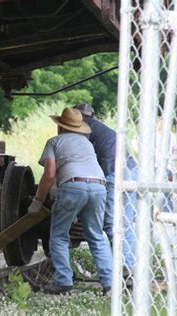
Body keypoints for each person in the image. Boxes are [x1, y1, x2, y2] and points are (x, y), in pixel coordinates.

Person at [28, 107, 112, 294]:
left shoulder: (54, 142)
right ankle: (110, 284)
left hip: (73, 187)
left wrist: (37, 201)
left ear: (60, 126)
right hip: (99, 187)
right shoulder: (87, 144)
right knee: (97, 236)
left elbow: (49, 176)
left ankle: (64, 283)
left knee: (58, 236)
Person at [74, 103, 137, 272]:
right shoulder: (101, 128)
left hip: (114, 173)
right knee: (127, 223)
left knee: (111, 223)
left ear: (80, 116)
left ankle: (119, 268)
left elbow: (81, 157)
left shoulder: (84, 128)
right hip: (132, 171)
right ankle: (129, 265)